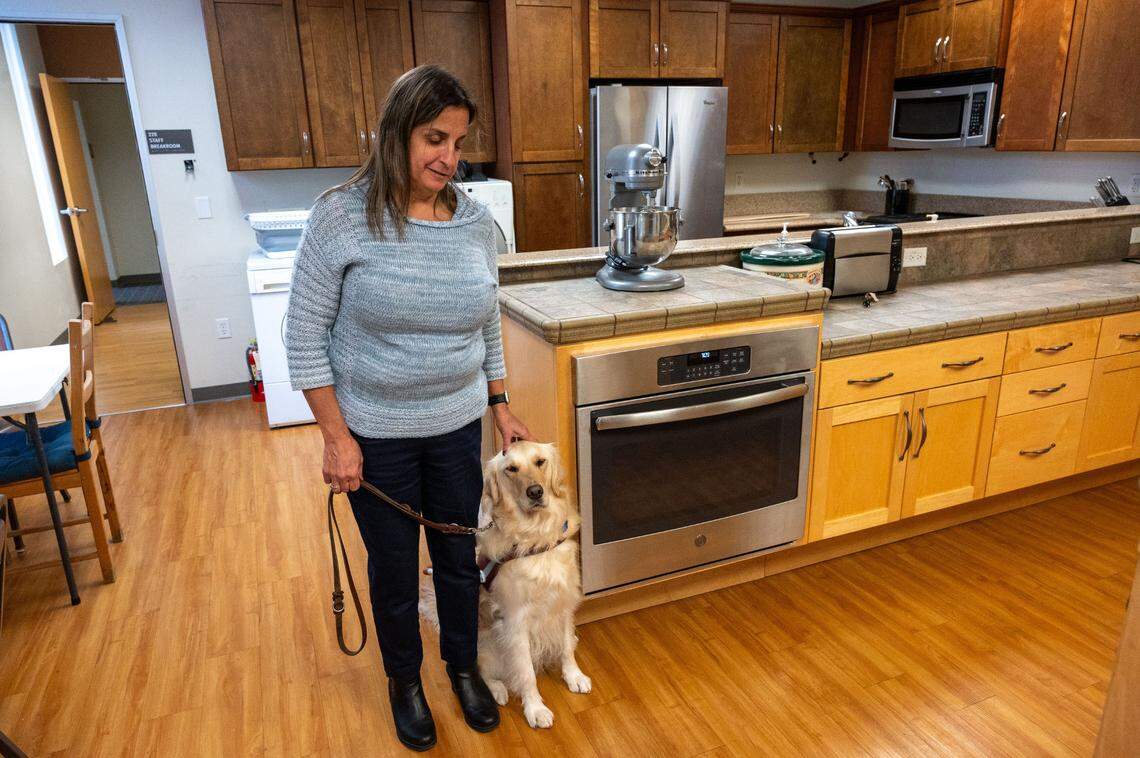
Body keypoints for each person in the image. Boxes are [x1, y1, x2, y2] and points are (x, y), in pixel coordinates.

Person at [284, 65, 533, 752]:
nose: (448, 158)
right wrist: (337, 438)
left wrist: (500, 402)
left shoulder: (475, 223)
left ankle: (460, 665)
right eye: (434, 138)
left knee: (458, 556)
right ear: (397, 132)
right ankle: (404, 681)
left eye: (457, 142)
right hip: (376, 434)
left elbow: (485, 318)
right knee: (393, 570)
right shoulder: (341, 216)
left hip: (455, 427)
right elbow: (302, 337)